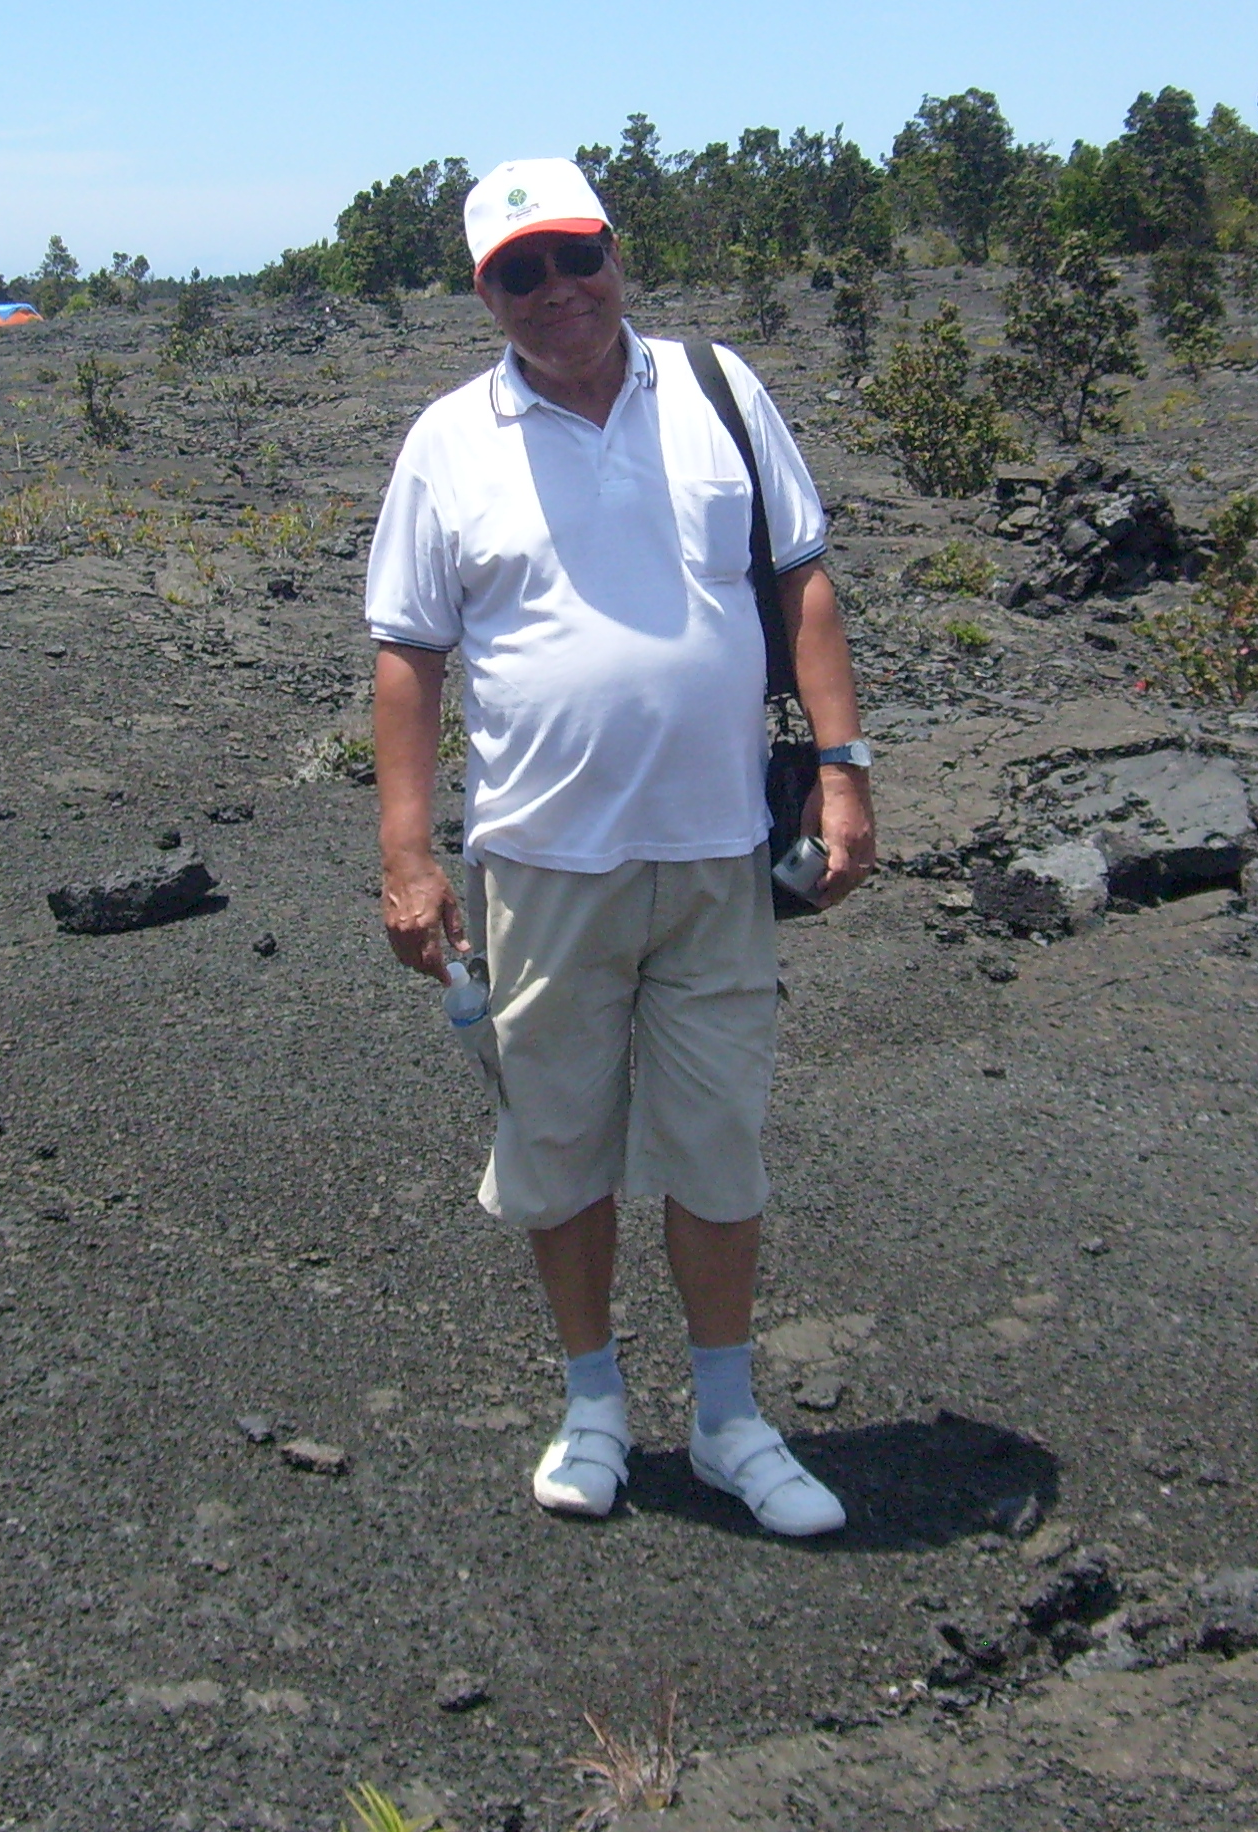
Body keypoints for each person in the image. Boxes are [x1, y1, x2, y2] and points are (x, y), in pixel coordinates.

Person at [363, 157, 878, 1537]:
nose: (557, 292)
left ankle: (728, 1418)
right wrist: (409, 858)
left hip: (719, 857)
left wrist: (844, 772)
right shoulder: (448, 442)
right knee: (561, 1143)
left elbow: (801, 581)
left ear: (612, 251)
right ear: (486, 292)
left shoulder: (718, 392)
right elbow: (408, 658)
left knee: (717, 1151)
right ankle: (594, 1404)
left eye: (573, 256)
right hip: (542, 863)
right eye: (517, 272)